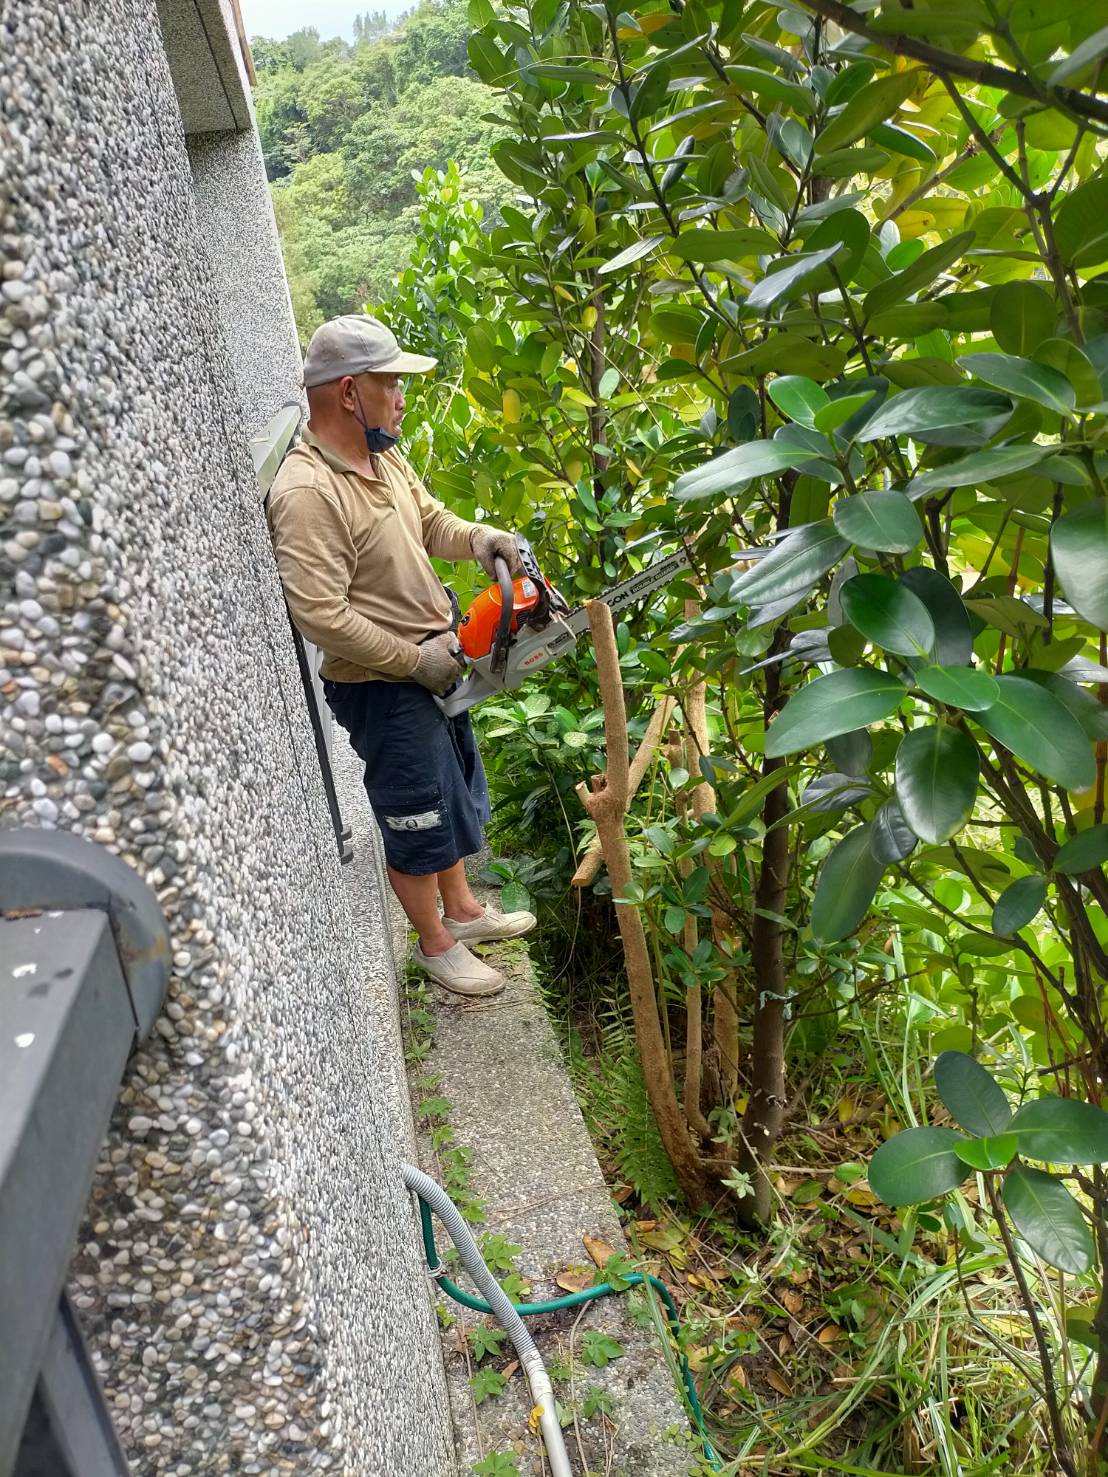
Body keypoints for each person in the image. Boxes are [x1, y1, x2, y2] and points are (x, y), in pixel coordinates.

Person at [267, 314, 536, 999]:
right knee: (415, 808)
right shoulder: (306, 492)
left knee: (448, 789)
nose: (403, 397)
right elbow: (320, 615)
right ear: (350, 392)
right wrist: (412, 662)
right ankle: (436, 945)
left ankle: (465, 911)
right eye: (392, 384)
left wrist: (483, 539)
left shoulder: (382, 456)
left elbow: (431, 521)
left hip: (432, 654)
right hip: (382, 685)